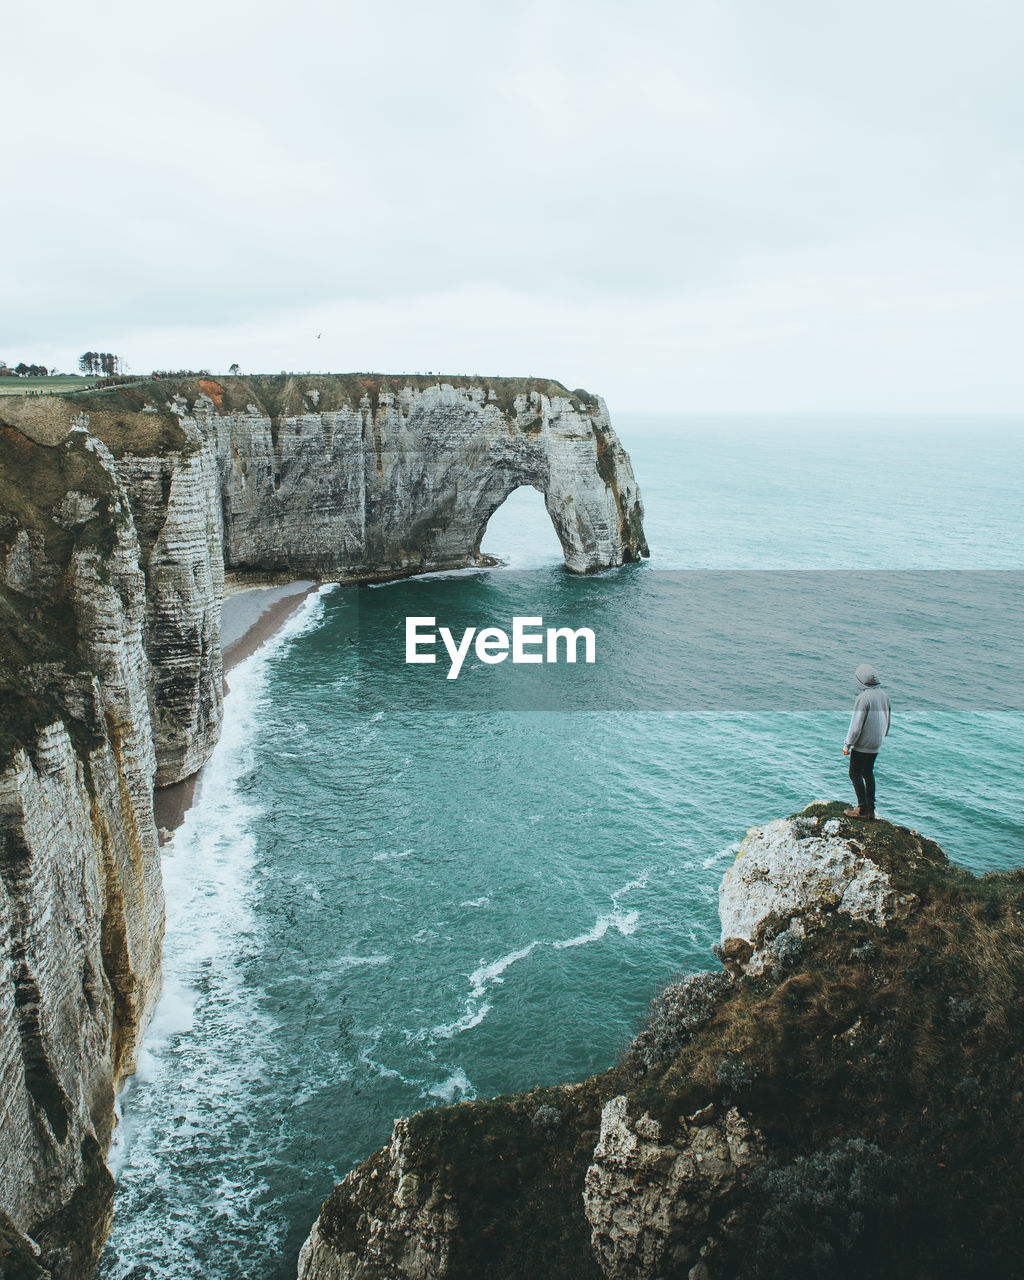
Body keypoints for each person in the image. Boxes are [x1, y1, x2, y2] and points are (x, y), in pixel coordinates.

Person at [842, 663, 891, 820]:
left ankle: (862, 809)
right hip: (877, 742)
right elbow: (888, 718)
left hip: (863, 744)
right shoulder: (884, 695)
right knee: (868, 772)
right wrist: (883, 736)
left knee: (854, 773)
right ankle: (871, 808)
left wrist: (847, 744)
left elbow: (856, 726)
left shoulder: (863, 698)